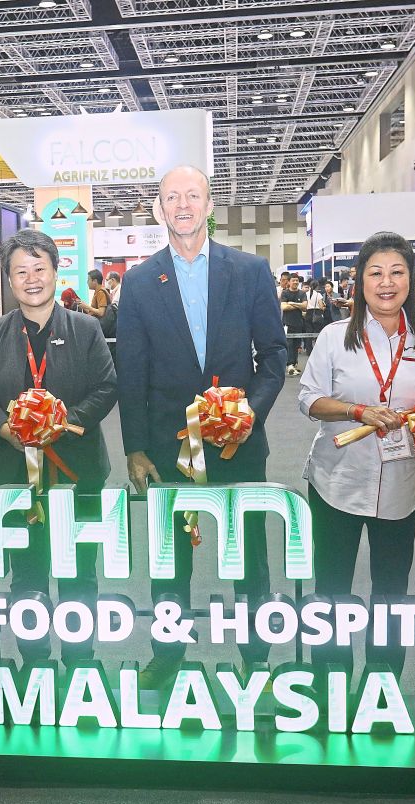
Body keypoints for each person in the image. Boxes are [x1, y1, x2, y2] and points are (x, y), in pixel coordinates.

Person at [117, 164, 287, 688]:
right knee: (169, 560)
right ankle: (168, 653)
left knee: (250, 557)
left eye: (193, 196)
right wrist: (135, 448)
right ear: (159, 209)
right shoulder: (141, 282)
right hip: (169, 445)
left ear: (210, 206)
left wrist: (248, 412)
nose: (183, 205)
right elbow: (133, 371)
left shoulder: (251, 271)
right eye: (172, 197)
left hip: (239, 445)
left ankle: (255, 657)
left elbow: (275, 354)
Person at [0, 229, 118, 666]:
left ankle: (79, 662)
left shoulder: (85, 328)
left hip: (78, 472)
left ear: (56, 272)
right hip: (14, 475)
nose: (31, 279)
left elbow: (107, 387)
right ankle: (33, 663)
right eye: (20, 271)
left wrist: (63, 424)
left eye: (40, 269)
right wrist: (4, 430)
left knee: (78, 575)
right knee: (27, 574)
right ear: (8, 280)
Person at [299, 232, 415, 680]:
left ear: (411, 280)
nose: (386, 282)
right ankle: (328, 678)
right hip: (336, 480)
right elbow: (308, 400)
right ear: (359, 281)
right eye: (375, 272)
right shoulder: (334, 337)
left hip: (401, 485)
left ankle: (383, 680)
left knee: (391, 591)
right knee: (332, 588)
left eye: (397, 272)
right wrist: (358, 411)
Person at [281, 273, 308, 375]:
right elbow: (284, 307)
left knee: (297, 344)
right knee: (289, 344)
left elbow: (305, 307)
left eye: (297, 280)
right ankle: (289, 365)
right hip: (287, 323)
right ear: (289, 282)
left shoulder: (302, 293)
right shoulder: (285, 293)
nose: (295, 282)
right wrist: (299, 305)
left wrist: (292, 303)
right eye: (293, 280)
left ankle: (294, 364)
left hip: (299, 323)